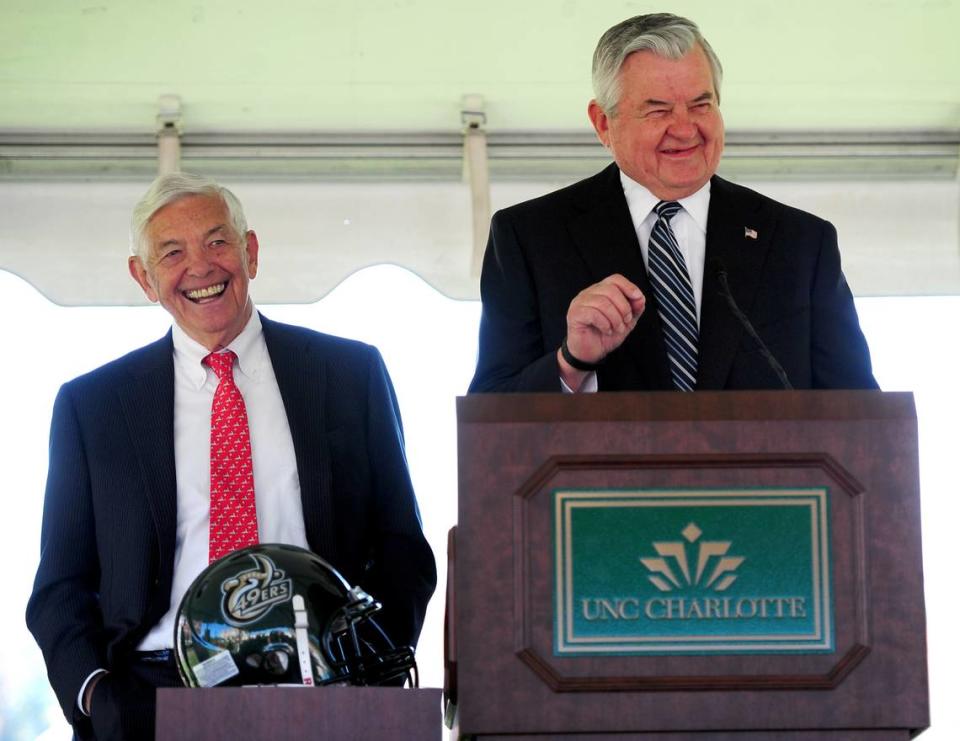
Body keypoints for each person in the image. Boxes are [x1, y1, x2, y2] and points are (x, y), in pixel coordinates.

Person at [26, 173, 437, 740]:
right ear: (144, 278)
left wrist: (373, 668)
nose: (201, 267)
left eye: (218, 242)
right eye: (172, 252)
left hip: (323, 686)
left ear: (251, 252)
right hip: (149, 696)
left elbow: (402, 548)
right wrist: (97, 696)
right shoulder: (92, 406)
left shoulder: (349, 375)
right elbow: (60, 587)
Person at [469, 13, 877, 394]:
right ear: (603, 123)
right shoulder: (531, 238)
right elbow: (490, 415)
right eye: (658, 110)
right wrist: (571, 362)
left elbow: (859, 416)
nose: (685, 129)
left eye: (701, 105)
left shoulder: (800, 243)